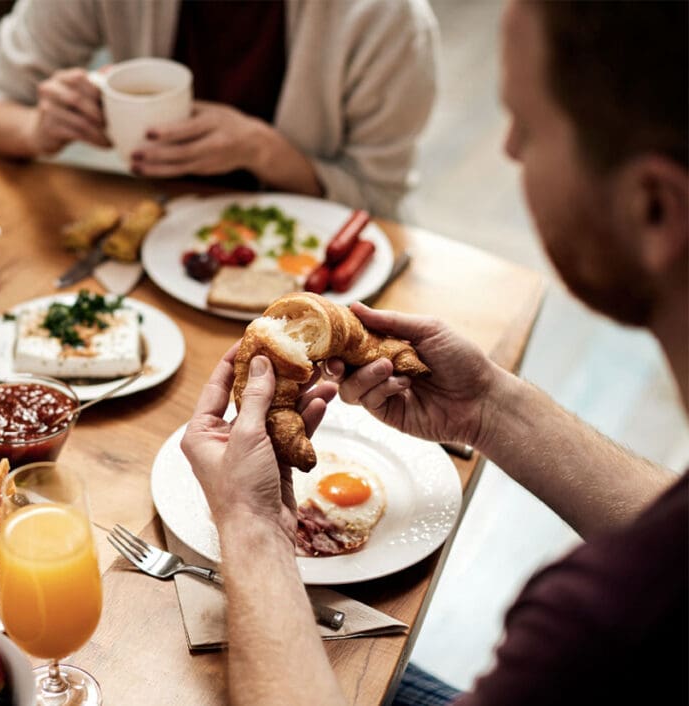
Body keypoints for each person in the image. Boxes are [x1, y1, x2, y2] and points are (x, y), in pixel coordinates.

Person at [180, 1, 688, 704]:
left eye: (529, 125)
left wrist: (253, 525)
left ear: (655, 208)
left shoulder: (599, 631)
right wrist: (487, 408)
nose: (507, 148)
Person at [0, 0, 438, 218]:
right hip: (163, 248)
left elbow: (379, 205)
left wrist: (263, 151)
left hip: (319, 279)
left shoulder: (386, 18)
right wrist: (37, 129)